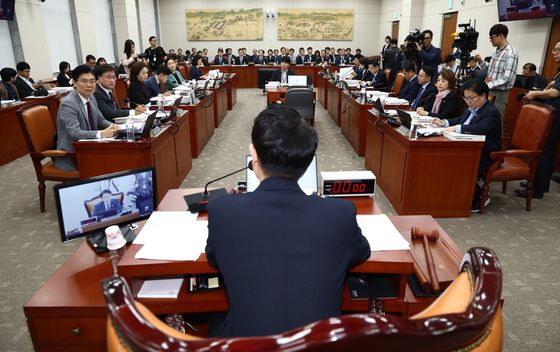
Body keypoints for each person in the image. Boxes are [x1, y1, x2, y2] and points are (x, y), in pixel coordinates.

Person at [205, 105, 371, 337]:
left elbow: (213, 259)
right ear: (307, 160)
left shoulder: (222, 210)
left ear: (254, 154)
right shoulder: (340, 213)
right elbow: (361, 253)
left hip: (247, 343)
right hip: (319, 343)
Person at [433, 79, 502, 212]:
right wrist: (444, 123)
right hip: (469, 148)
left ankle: (479, 197)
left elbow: (480, 128)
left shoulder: (490, 112)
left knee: (458, 162)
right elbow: (460, 120)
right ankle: (453, 194)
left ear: (483, 96)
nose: (468, 102)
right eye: (465, 98)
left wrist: (456, 129)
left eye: (471, 98)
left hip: (487, 154)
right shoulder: (472, 108)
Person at [513, 41, 560, 200]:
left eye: (558, 50)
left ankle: (537, 188)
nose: (554, 53)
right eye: (554, 49)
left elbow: (555, 94)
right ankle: (539, 184)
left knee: (545, 150)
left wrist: (534, 94)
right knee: (547, 150)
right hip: (553, 114)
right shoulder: (558, 71)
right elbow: (553, 89)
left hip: (556, 116)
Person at [55, 65, 116, 171]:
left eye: (92, 81)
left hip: (90, 147)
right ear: (74, 83)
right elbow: (75, 132)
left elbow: (100, 120)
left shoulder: (91, 97)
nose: (89, 85)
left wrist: (114, 126)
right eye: (84, 81)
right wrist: (101, 133)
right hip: (73, 155)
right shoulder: (68, 103)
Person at [485, 24, 519, 118]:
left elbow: (507, 78)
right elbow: (492, 71)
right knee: (487, 119)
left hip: (500, 93)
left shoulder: (511, 52)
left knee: (496, 120)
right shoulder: (496, 51)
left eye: (492, 37)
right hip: (490, 90)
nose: (490, 40)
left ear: (501, 36)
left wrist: (488, 85)